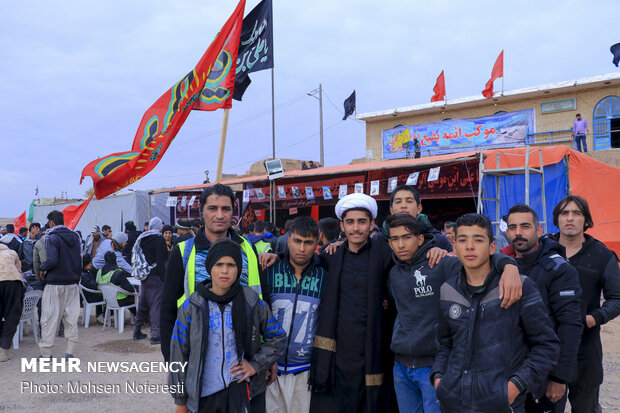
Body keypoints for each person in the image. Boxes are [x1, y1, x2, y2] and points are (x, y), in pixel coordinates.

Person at [386, 213, 521, 413]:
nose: (401, 245)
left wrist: (510, 266)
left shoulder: (441, 263)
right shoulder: (393, 273)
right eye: (395, 239)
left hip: (434, 366)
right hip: (402, 366)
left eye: (406, 237)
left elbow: (481, 260)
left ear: (420, 239)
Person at [431, 213, 560, 413]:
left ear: (492, 247)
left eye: (478, 239)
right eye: (463, 240)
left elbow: (546, 346)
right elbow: (445, 343)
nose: (470, 246)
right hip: (453, 402)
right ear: (454, 246)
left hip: (500, 404)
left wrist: (514, 386)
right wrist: (439, 379)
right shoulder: (448, 290)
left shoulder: (519, 287)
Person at [169, 238, 286, 413]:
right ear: (210, 268)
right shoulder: (192, 306)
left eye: (231, 265)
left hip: (241, 392)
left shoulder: (251, 301)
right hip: (204, 395)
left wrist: (255, 365)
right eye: (219, 264)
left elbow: (277, 337)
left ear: (239, 268)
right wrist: (180, 400)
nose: (225, 271)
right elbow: (178, 354)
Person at [161, 184, 268, 364]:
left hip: (243, 358)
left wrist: (264, 357)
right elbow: (167, 308)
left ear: (233, 212)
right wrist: (171, 360)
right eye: (212, 208)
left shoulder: (247, 248)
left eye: (225, 209)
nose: (219, 215)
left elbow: (261, 302)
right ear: (202, 211)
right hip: (198, 356)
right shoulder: (183, 252)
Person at [310, 193, 394, 413]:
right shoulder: (332, 256)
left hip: (373, 347)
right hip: (339, 350)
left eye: (362, 222)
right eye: (350, 222)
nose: (356, 228)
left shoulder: (386, 254)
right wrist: (277, 257)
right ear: (342, 226)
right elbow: (302, 261)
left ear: (372, 224)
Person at [503, 204, 583, 413]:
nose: (518, 233)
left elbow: (570, 326)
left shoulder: (559, 269)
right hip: (513, 372)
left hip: (546, 373)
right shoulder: (504, 266)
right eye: (512, 227)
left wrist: (559, 377)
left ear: (538, 231)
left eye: (525, 226)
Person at [549, 195, 620, 413]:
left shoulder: (602, 255)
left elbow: (617, 298)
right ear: (557, 219)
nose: (570, 218)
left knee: (586, 408)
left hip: (585, 347)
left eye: (576, 213)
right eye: (564, 213)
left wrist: (592, 319)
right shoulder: (543, 250)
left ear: (586, 220)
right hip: (547, 346)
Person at [265, 217, 328, 413]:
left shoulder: (325, 272)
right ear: (288, 240)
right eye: (297, 241)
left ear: (317, 243)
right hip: (270, 369)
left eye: (308, 242)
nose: (302, 248)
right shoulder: (268, 269)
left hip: (305, 370)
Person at [38, 210, 81, 359]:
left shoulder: (51, 237)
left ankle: (46, 354)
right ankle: (70, 352)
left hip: (55, 283)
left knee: (49, 318)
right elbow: (79, 260)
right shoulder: (75, 236)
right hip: (72, 283)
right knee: (71, 318)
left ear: (51, 223)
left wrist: (42, 268)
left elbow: (52, 260)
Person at [132, 217, 168, 344]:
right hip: (156, 276)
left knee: (143, 304)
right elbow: (161, 260)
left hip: (144, 275)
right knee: (155, 305)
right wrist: (164, 279)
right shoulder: (158, 239)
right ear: (159, 226)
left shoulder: (142, 238)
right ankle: (156, 335)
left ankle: (136, 331)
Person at [385, 185, 452, 251]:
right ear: (391, 209)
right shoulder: (380, 240)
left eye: (409, 201)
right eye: (398, 202)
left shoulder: (437, 240)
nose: (403, 206)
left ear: (419, 208)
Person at [0, 241, 24, 362]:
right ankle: (4, 349)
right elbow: (19, 270)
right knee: (12, 315)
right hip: (13, 283)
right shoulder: (12, 253)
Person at [96, 251, 137, 316]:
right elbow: (129, 289)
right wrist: (135, 291)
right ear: (115, 259)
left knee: (113, 297)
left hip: (107, 300)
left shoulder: (99, 272)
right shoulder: (118, 273)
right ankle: (140, 318)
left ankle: (104, 315)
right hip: (120, 300)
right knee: (134, 298)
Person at [79, 253, 104, 323]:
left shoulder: (82, 273)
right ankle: (102, 315)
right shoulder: (84, 275)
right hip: (90, 296)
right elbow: (93, 286)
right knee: (108, 297)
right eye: (89, 263)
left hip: (88, 295)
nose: (91, 265)